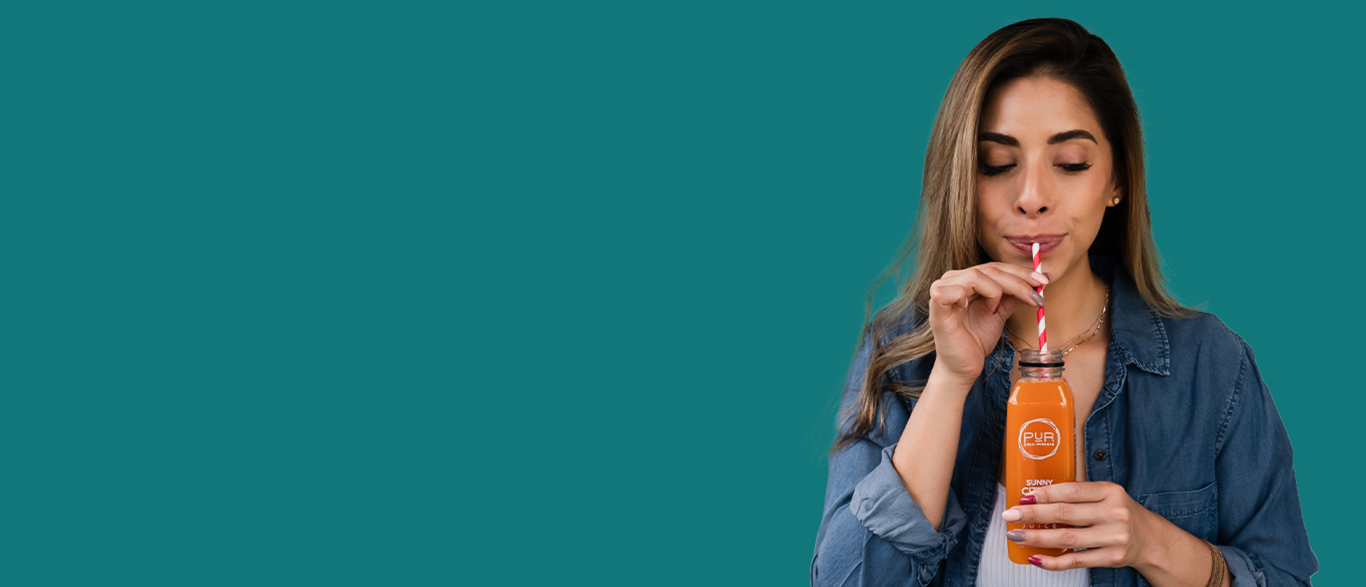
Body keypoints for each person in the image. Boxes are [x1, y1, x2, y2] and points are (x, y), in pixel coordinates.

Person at [809, 18, 1317, 587]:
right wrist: (950, 383)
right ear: (963, 180)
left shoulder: (1211, 367)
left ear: (1116, 178)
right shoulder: (901, 353)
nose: (1032, 199)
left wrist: (1152, 543)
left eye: (1071, 163)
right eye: (997, 164)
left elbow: (1285, 577)